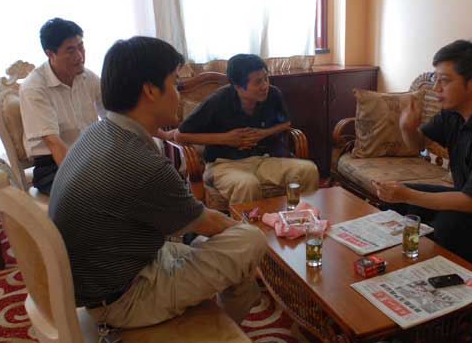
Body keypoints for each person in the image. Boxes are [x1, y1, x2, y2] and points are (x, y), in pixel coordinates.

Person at [49, 36, 266, 329]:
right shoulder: (139, 162)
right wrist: (252, 241)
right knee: (251, 240)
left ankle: (226, 325)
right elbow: (211, 223)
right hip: (124, 299)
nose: (179, 95)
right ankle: (224, 329)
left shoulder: (98, 133)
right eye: (175, 83)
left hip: (108, 274)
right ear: (150, 90)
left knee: (230, 250)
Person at [373, 40, 472, 260]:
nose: (436, 88)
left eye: (444, 80)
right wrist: (407, 128)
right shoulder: (454, 111)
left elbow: (471, 202)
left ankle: (451, 275)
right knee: (396, 198)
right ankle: (395, 260)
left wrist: (408, 194)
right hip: (468, 196)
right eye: (436, 79)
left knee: (449, 224)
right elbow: (418, 145)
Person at [176, 53, 319, 205]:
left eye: (266, 78)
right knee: (247, 185)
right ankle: (247, 221)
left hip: (264, 160)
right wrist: (225, 139)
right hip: (224, 164)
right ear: (238, 86)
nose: (265, 85)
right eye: (258, 82)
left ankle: (302, 217)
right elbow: (180, 135)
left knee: (308, 170)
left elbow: (286, 123)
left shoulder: (273, 94)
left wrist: (263, 133)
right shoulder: (218, 101)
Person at [19, 18, 103, 195]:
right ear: (50, 54)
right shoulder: (34, 87)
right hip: (53, 165)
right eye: (70, 50)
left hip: (90, 155)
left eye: (81, 47)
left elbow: (115, 116)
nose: (79, 56)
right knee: (102, 192)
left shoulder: (88, 77)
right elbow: (53, 142)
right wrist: (86, 178)